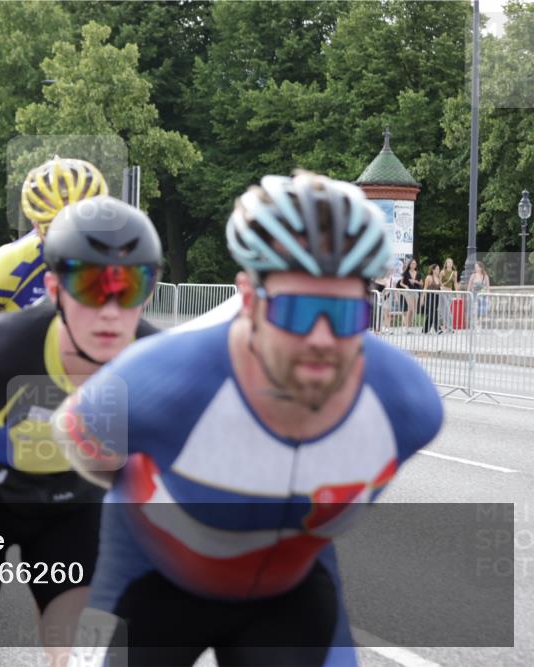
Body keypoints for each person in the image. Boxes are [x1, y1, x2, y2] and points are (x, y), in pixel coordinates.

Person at [55, 171, 444, 666]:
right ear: (248, 300)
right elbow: (78, 435)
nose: (322, 339)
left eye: (346, 316)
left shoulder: (407, 406)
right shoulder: (163, 380)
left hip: (290, 588)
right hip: (149, 574)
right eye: (298, 312)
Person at [0, 196, 162, 667]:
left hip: (71, 507)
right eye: (88, 285)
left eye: (131, 285)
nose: (108, 309)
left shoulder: (154, 356)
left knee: (87, 658)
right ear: (55, 289)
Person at [0, 157, 108, 324]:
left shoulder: (122, 254)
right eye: (53, 225)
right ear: (35, 224)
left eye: (83, 222)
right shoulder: (8, 264)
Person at [466, 260, 492, 328]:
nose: (476, 268)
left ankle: (479, 324)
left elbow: (488, 288)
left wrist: (488, 297)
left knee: (482, 311)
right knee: (475, 311)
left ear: (481, 268)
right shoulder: (473, 275)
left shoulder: (485, 276)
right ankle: (475, 324)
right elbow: (469, 287)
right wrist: (468, 295)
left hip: (482, 297)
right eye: (475, 267)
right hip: (474, 296)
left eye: (477, 267)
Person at [401, 257, 423, 329]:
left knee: (414, 310)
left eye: (415, 264)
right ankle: (407, 326)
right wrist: (406, 286)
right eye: (413, 263)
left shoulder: (418, 273)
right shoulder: (406, 273)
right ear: (409, 264)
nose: (414, 265)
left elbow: (421, 284)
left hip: (416, 292)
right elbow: (401, 283)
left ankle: (410, 325)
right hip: (408, 292)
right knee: (410, 308)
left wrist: (415, 281)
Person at [439, 257, 459, 333]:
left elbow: (455, 283)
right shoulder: (442, 272)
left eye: (451, 262)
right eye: (448, 262)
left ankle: (449, 327)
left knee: (448, 309)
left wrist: (457, 293)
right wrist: (442, 286)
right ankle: (448, 327)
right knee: (445, 309)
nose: (450, 264)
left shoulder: (454, 272)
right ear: (446, 264)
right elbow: (439, 282)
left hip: (450, 292)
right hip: (443, 291)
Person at [422, 263, 442, 334]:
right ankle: (438, 328)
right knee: (434, 312)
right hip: (429, 297)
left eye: (439, 269)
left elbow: (440, 288)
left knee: (431, 313)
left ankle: (425, 330)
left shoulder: (439, 278)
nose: (438, 270)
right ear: (433, 270)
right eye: (437, 269)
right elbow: (425, 288)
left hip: (436, 297)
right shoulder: (429, 277)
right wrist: (422, 299)